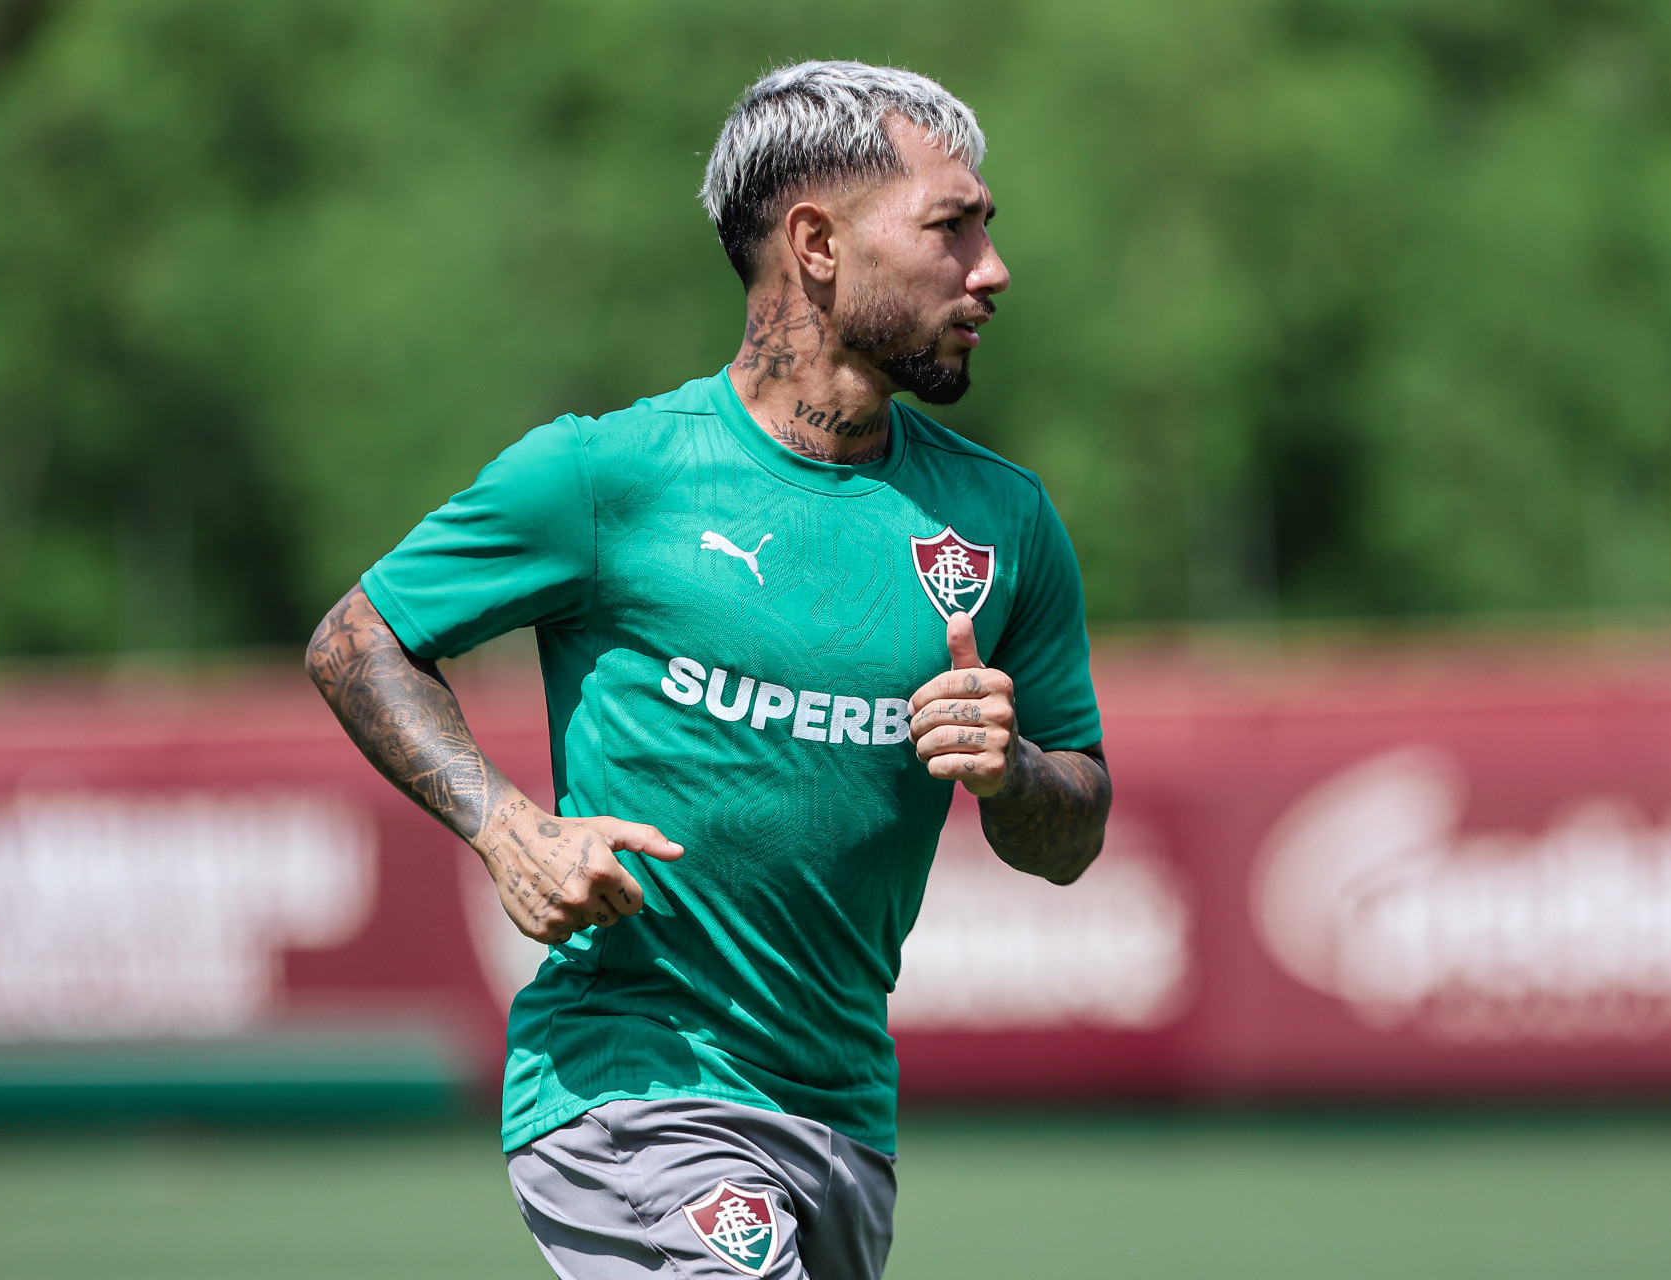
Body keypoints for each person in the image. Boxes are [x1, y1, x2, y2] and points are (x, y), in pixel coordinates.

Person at [306, 60, 1111, 1280]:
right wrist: (506, 827)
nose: (991, 268)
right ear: (817, 243)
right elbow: (358, 639)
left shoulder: (1006, 521)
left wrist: (1015, 773)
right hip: (634, 1087)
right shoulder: (607, 475)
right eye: (952, 226)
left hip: (843, 1118)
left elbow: (1072, 834)